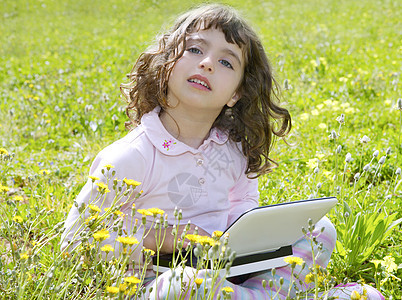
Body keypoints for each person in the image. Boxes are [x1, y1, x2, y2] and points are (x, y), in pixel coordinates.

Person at [61, 4, 384, 299]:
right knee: (183, 285)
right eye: (195, 49)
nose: (207, 63)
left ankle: (260, 293)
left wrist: (243, 234)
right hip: (151, 282)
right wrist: (162, 238)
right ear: (165, 64)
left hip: (225, 270)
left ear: (236, 93)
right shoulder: (132, 156)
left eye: (226, 61)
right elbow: (77, 239)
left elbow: (243, 204)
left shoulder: (230, 150)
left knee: (319, 230)